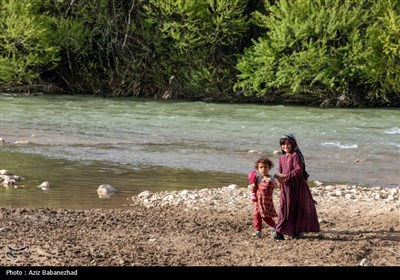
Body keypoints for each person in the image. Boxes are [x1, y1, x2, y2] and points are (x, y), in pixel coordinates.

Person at [273, 134, 320, 240]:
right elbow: (280, 171)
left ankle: (294, 231)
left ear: (293, 144)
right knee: (285, 207)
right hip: (286, 187)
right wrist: (279, 181)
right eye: (283, 144)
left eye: (288, 144)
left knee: (296, 208)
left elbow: (298, 170)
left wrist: (286, 176)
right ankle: (280, 231)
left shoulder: (295, 156)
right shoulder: (282, 158)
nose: (286, 146)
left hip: (297, 186)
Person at [248, 157, 278, 238]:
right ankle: (258, 231)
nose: (263, 169)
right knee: (256, 215)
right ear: (257, 168)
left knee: (265, 217)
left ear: (269, 168)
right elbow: (253, 187)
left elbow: (278, 185)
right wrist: (253, 192)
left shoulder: (271, 179)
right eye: (261, 167)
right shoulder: (258, 178)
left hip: (266, 202)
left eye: (265, 167)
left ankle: (276, 227)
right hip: (258, 201)